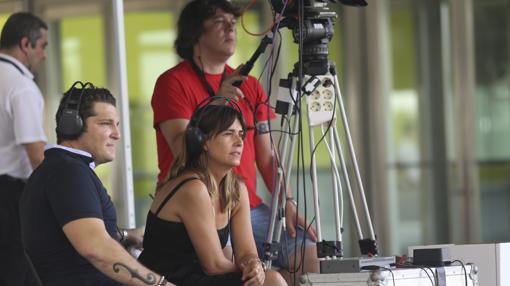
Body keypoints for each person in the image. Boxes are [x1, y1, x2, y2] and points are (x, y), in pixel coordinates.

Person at [151, 0, 319, 283]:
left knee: (311, 260)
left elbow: (267, 156)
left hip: (245, 203)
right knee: (247, 270)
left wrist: (287, 201)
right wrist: (220, 100)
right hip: (202, 202)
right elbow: (184, 147)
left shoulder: (250, 85)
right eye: (219, 21)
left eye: (233, 21)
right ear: (195, 32)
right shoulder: (172, 82)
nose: (231, 27)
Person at [20, 82, 173, 286]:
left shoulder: (62, 169)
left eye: (117, 124)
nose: (117, 134)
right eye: (106, 123)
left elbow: (80, 233)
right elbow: (95, 248)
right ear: (72, 124)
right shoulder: (68, 173)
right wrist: (160, 284)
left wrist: (126, 235)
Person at [139, 100, 286, 286]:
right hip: (166, 281)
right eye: (228, 134)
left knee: (270, 279)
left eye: (241, 134)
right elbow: (214, 266)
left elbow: (247, 252)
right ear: (204, 142)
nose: (239, 142)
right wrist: (259, 274)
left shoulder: (236, 188)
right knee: (272, 281)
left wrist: (254, 266)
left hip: (197, 278)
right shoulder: (193, 188)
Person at [0, 12, 48, 285]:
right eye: (42, 46)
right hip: (9, 196)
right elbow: (35, 151)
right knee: (18, 273)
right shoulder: (20, 85)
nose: (43, 55)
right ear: (25, 44)